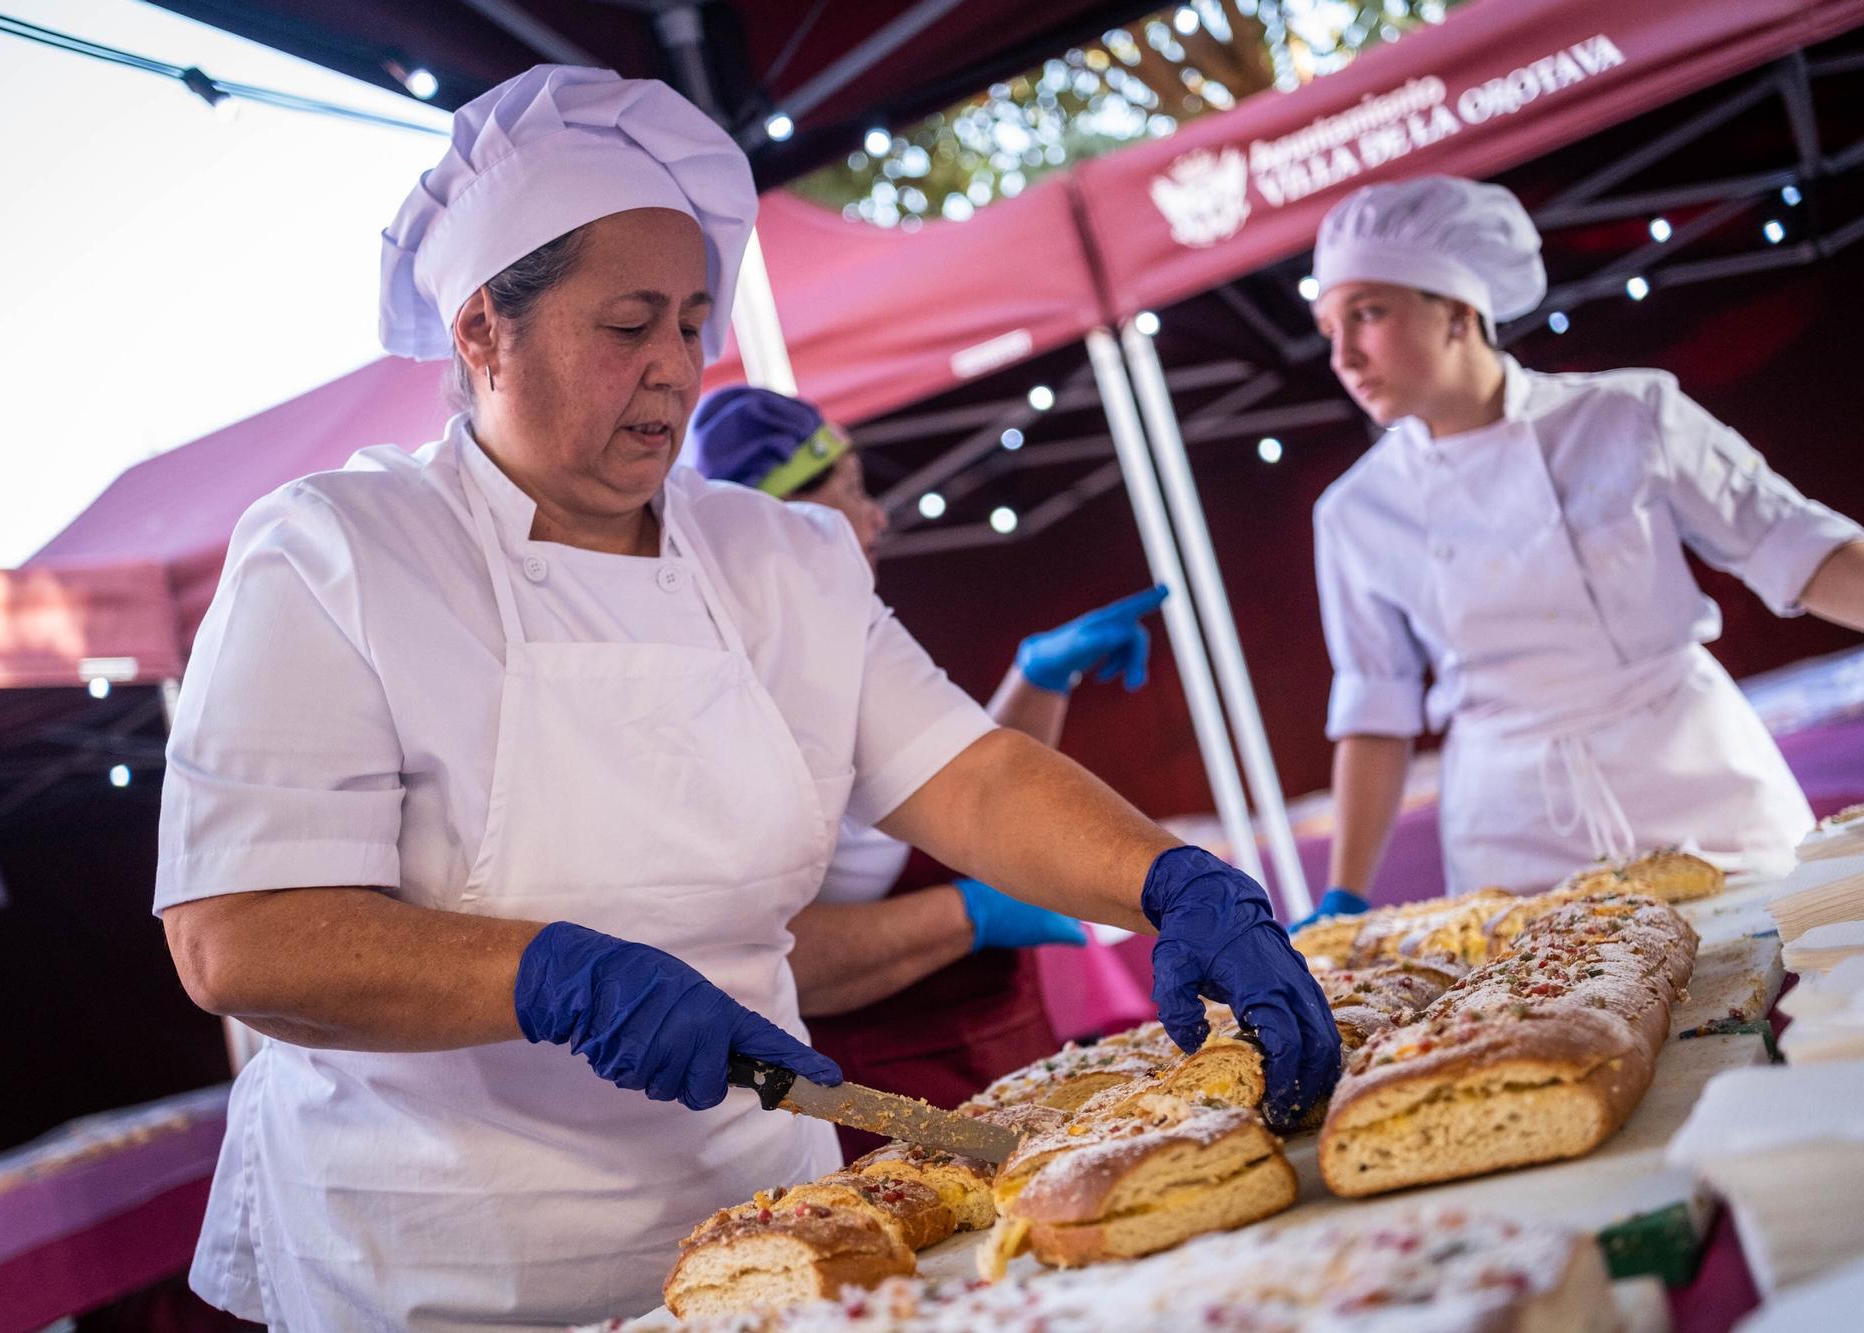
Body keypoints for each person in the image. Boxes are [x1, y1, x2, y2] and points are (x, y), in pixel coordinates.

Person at [154, 66, 1338, 1331]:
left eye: (690, 322)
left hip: (777, 1231)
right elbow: (237, 936)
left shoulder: (779, 555)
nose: (673, 367)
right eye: (628, 326)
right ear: (481, 328)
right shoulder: (337, 552)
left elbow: (973, 775)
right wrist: (548, 974)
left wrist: (1168, 881)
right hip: (448, 1263)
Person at [1301, 174, 1864, 918]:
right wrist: (1345, 891)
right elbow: (1375, 709)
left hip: (1697, 783)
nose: (1345, 356)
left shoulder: (1629, 414)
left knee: (1807, 978)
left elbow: (1796, 548)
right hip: (1513, 833)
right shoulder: (1355, 512)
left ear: (1457, 309)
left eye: (1367, 314)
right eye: (1330, 328)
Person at [687, 385, 1168, 1133]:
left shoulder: (850, 635)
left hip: (1003, 1049)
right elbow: (771, 956)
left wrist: (1037, 679)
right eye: (850, 492)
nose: (877, 515)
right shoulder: (726, 697)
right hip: (883, 1088)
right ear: (776, 522)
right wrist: (970, 913)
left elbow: (965, 791)